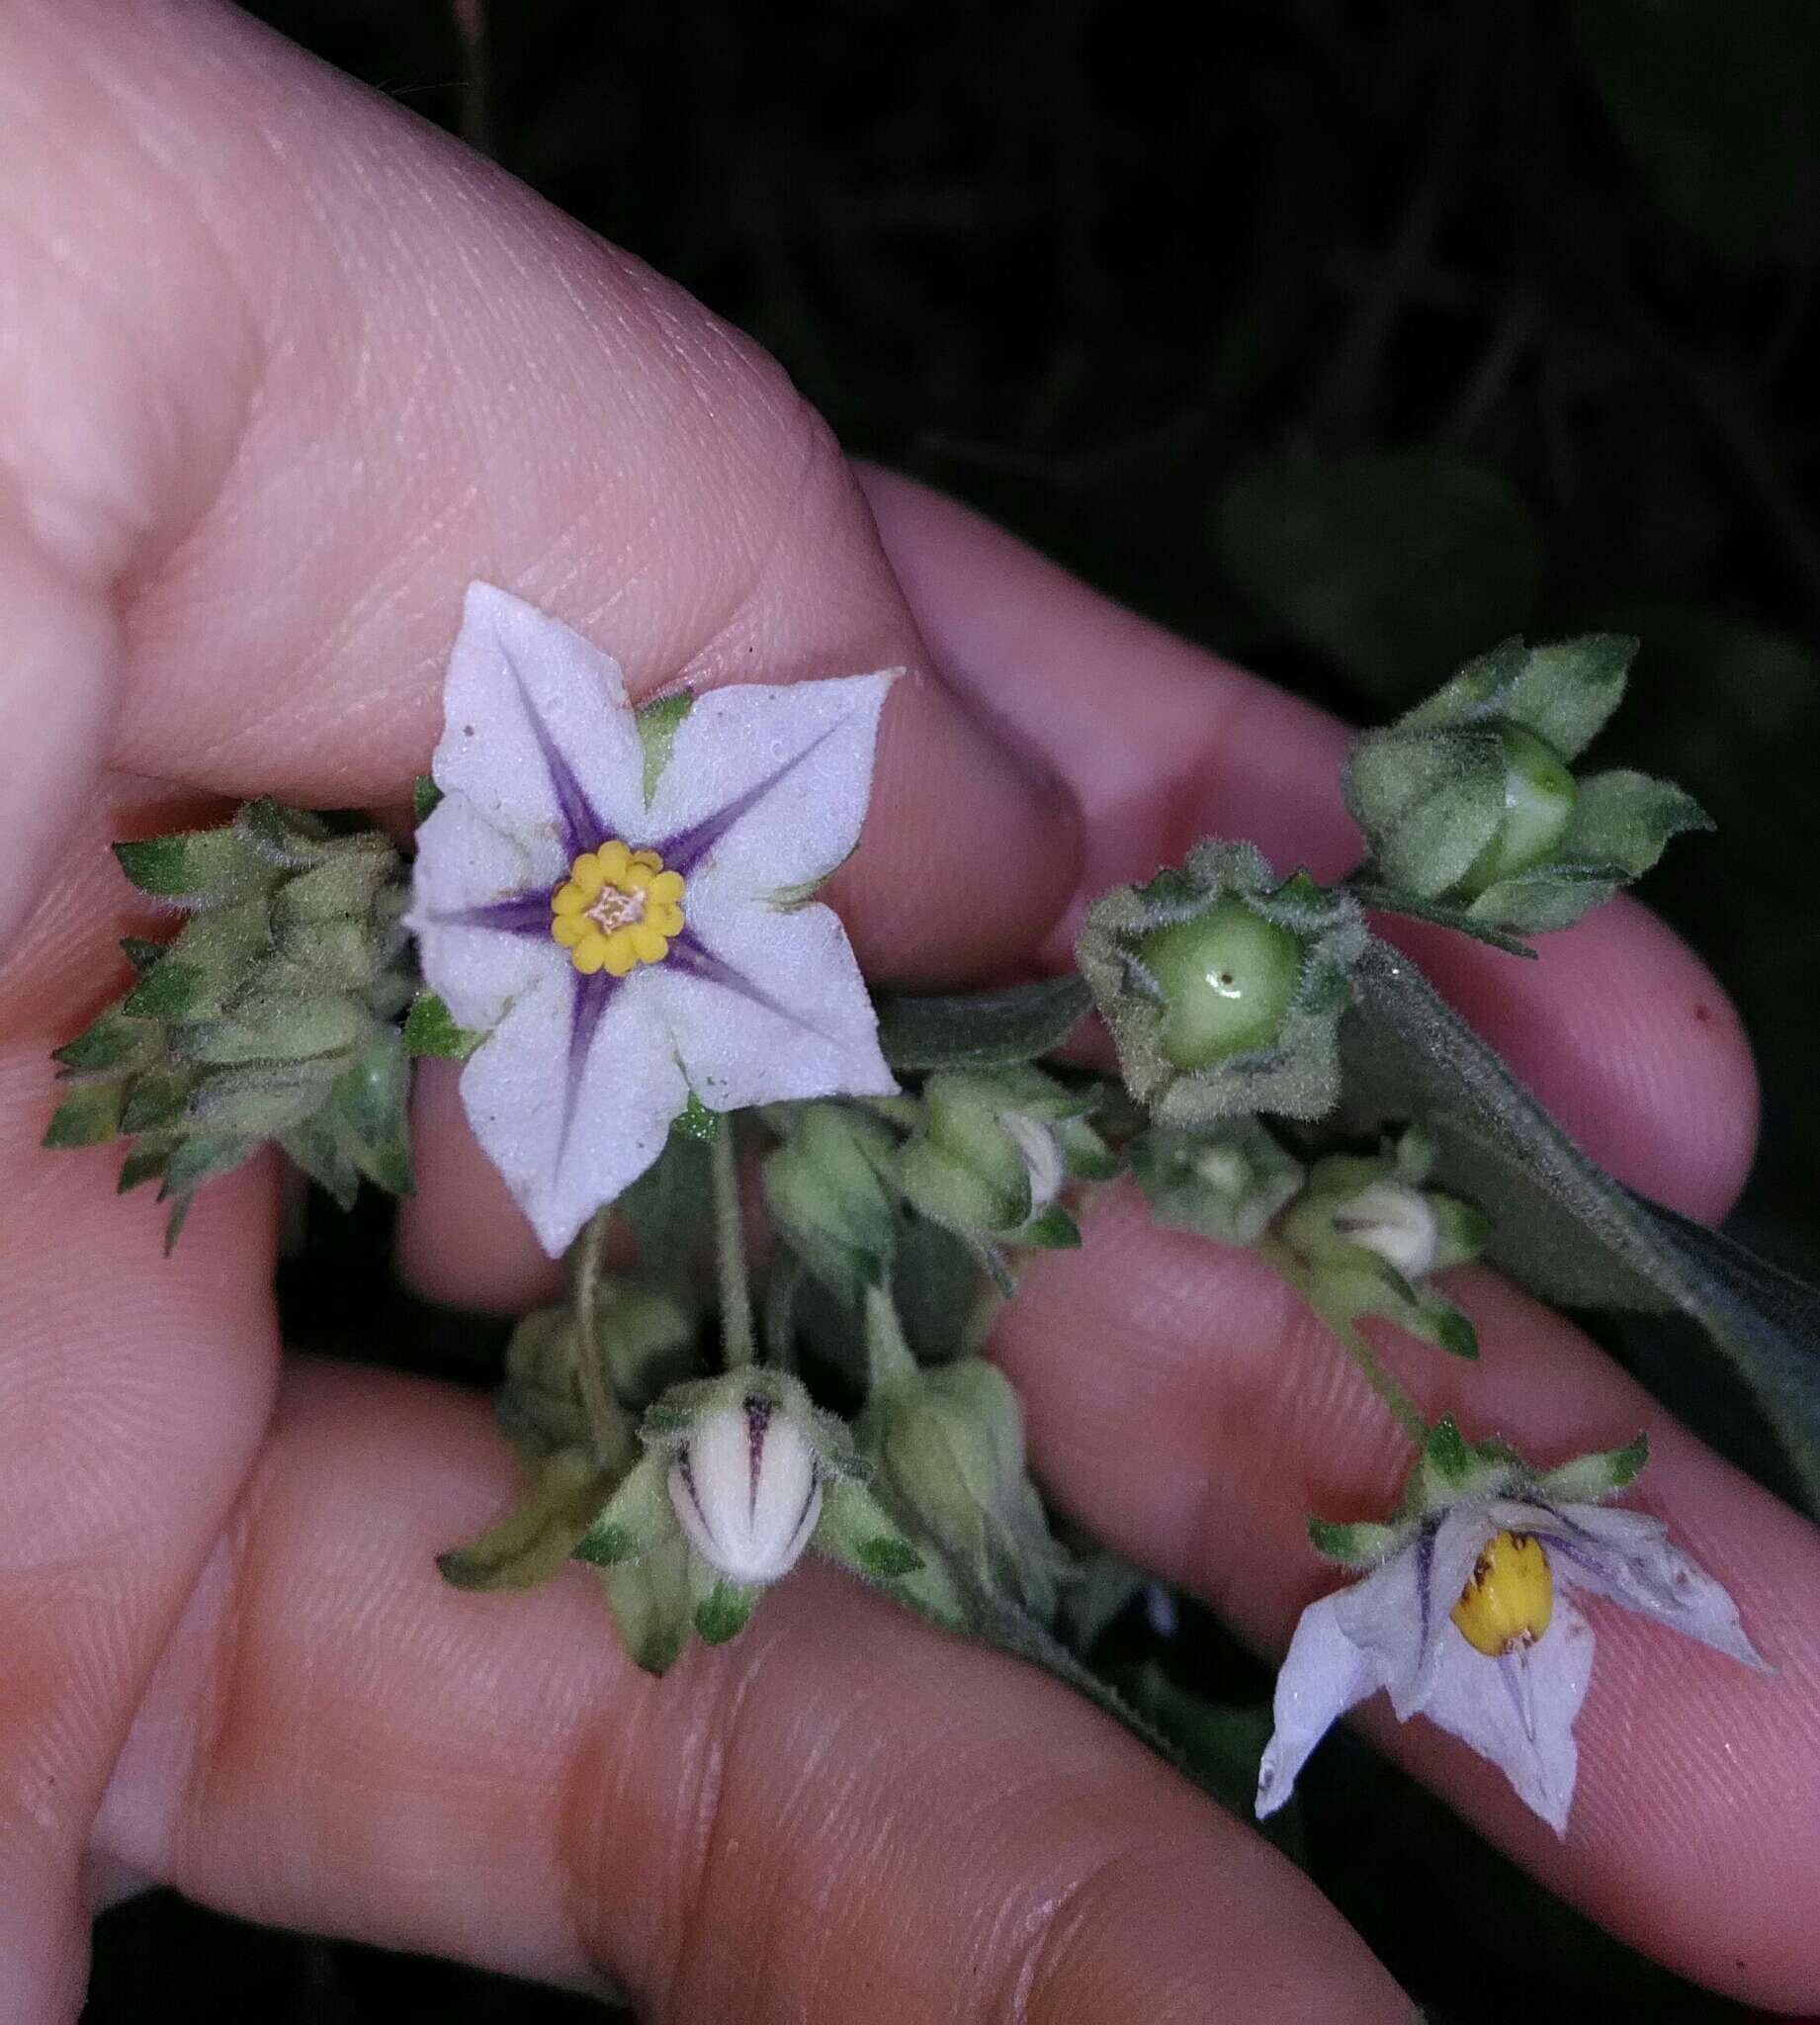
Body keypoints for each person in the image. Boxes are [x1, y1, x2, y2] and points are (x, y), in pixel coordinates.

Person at [0, 4, 1813, 2018]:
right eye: (607, 902)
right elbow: (568, 779)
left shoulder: (625, 893)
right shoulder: (568, 844)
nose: (612, 907)